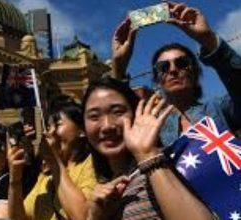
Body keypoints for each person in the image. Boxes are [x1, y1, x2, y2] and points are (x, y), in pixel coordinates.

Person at [111, 2, 241, 148]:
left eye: (182, 63)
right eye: (163, 67)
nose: (173, 70)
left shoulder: (221, 107)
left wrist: (208, 39)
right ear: (157, 78)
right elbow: (113, 119)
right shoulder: (149, 125)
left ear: (195, 72)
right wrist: (118, 67)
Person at [83, 76, 214, 219]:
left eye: (118, 112)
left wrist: (148, 156)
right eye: (94, 116)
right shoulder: (102, 188)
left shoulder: (171, 165)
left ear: (136, 113)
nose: (107, 125)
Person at [8, 98, 96, 220]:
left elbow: (82, 216)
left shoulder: (92, 164)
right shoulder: (46, 177)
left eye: (58, 124)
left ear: (82, 131)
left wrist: (53, 160)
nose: (51, 132)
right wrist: (15, 180)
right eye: (49, 126)